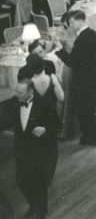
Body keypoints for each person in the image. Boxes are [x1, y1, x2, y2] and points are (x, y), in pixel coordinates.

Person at [0, 78, 60, 219]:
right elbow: (3, 122)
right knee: (21, 181)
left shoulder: (45, 105)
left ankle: (41, 212)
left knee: (39, 184)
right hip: (21, 151)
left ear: (31, 92)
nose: (17, 95)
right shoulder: (14, 103)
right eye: (16, 91)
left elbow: (57, 126)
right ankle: (34, 205)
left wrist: (45, 129)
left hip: (39, 152)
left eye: (20, 92)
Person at [55, 10, 96, 146]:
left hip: (83, 79)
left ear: (81, 21)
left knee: (84, 110)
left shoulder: (83, 37)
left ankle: (90, 138)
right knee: (88, 111)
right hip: (90, 76)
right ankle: (92, 136)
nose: (70, 25)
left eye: (72, 22)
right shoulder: (91, 34)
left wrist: (59, 51)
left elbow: (72, 62)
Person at [25, 55, 63, 186]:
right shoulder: (52, 78)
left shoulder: (28, 83)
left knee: (36, 148)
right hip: (51, 118)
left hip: (36, 119)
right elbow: (61, 97)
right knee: (52, 147)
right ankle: (49, 176)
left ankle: (38, 175)